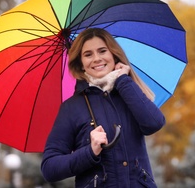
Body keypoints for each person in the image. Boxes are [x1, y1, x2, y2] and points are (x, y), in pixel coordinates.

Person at [41, 28, 165, 187]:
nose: (97, 59)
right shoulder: (71, 108)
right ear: (81, 63)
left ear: (113, 54)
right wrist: (90, 152)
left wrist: (123, 81)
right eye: (88, 54)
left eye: (102, 51)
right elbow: (49, 168)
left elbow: (154, 123)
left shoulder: (129, 93)